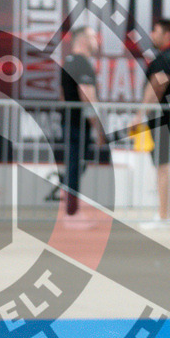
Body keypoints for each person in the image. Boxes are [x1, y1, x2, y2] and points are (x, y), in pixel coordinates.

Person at [135, 18, 170, 222]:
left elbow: (157, 87)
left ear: (167, 34)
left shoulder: (165, 59)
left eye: (156, 30)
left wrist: (140, 114)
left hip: (163, 118)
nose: (152, 34)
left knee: (164, 167)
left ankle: (163, 216)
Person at [60, 26, 108, 218]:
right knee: (75, 163)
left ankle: (71, 208)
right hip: (78, 123)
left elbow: (63, 95)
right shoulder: (81, 63)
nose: (97, 40)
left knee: (75, 163)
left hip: (70, 121)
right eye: (92, 37)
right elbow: (87, 96)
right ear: (82, 40)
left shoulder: (69, 62)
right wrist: (98, 127)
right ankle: (71, 211)